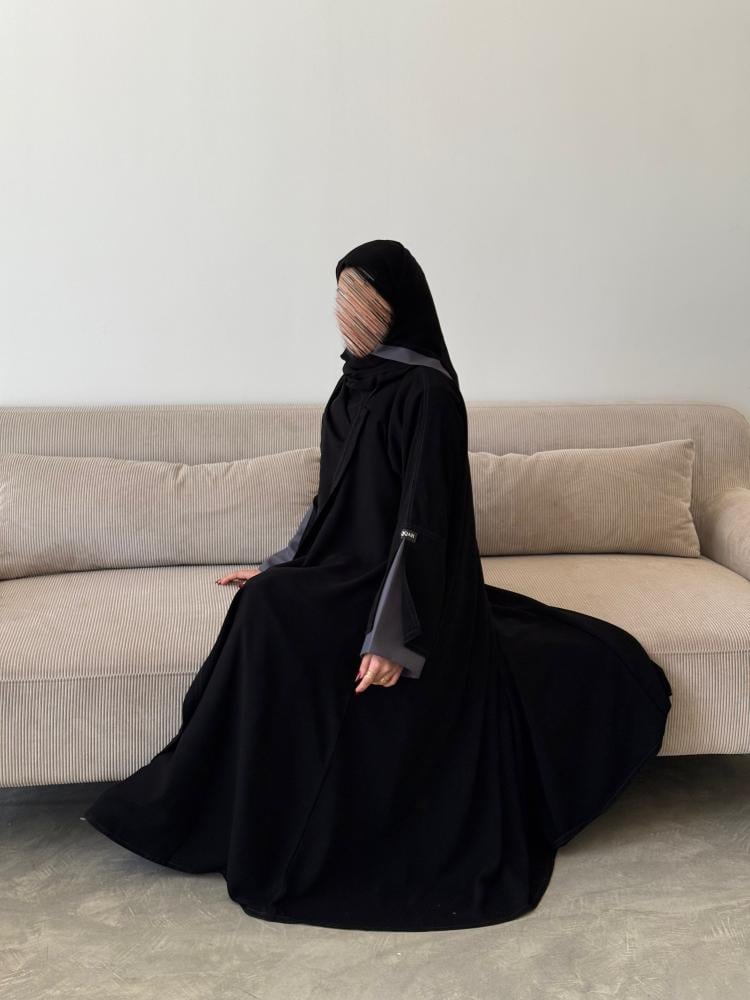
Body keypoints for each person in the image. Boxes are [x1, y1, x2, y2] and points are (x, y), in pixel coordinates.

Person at [84, 239, 673, 932]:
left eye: (362, 299)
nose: (347, 313)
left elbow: (423, 523)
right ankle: (209, 806)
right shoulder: (352, 386)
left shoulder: (428, 394)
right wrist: (281, 563)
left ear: (397, 306)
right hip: (347, 568)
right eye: (341, 297)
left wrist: (392, 638)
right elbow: (333, 498)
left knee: (273, 613)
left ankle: (253, 817)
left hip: (406, 584)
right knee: (262, 603)